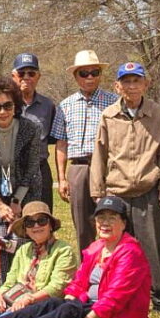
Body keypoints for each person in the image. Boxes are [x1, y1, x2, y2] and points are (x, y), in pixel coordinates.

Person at [0, 196, 152, 318]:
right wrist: (67, 302)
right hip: (87, 306)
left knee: (67, 309)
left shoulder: (130, 253)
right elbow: (77, 285)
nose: (105, 223)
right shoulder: (97, 248)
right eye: (101, 217)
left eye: (112, 218)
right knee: (55, 304)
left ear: (124, 223)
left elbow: (114, 299)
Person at [90, 62, 160, 315]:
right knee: (115, 246)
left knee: (153, 246)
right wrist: (97, 190)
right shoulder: (108, 115)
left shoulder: (157, 113)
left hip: (148, 189)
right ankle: (114, 293)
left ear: (145, 84)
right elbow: (100, 154)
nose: (131, 86)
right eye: (126, 81)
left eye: (136, 80)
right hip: (116, 190)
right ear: (117, 86)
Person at [0, 77, 42, 281]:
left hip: (26, 194)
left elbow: (32, 168)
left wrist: (16, 202)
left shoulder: (31, 128)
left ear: (16, 106)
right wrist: (0, 205)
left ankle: (28, 290)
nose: (2, 111)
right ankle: (5, 291)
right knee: (2, 245)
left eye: (7, 105)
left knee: (26, 243)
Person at [51, 50, 117, 250]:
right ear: (75, 76)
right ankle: (88, 271)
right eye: (84, 73)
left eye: (94, 72)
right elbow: (61, 143)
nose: (89, 77)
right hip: (78, 168)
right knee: (82, 224)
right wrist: (62, 178)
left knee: (109, 220)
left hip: (106, 168)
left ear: (100, 74)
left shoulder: (114, 102)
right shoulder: (65, 106)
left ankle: (111, 270)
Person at [11, 53, 57, 211]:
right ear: (13, 76)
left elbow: (52, 139)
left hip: (40, 169)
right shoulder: (4, 105)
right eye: (21, 73)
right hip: (13, 170)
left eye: (31, 73)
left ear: (38, 76)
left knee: (42, 216)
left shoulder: (48, 105)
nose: (26, 77)